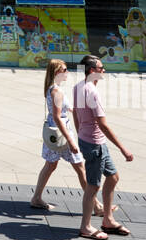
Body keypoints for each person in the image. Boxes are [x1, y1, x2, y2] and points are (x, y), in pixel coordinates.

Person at [29, 59, 107, 214]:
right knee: (80, 168)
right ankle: (97, 206)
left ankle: (36, 198)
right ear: (57, 72)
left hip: (54, 133)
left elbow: (64, 109)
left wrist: (77, 110)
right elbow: (58, 117)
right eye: (65, 70)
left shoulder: (52, 88)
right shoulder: (57, 91)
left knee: (51, 165)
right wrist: (71, 140)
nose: (67, 73)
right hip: (61, 134)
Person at [74, 55, 133, 240]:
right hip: (95, 144)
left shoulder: (78, 87)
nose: (104, 70)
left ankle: (107, 219)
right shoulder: (92, 93)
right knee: (93, 186)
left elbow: (76, 113)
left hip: (92, 141)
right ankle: (85, 227)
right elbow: (103, 125)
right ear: (92, 71)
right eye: (101, 68)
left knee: (113, 177)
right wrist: (123, 149)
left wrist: (79, 133)